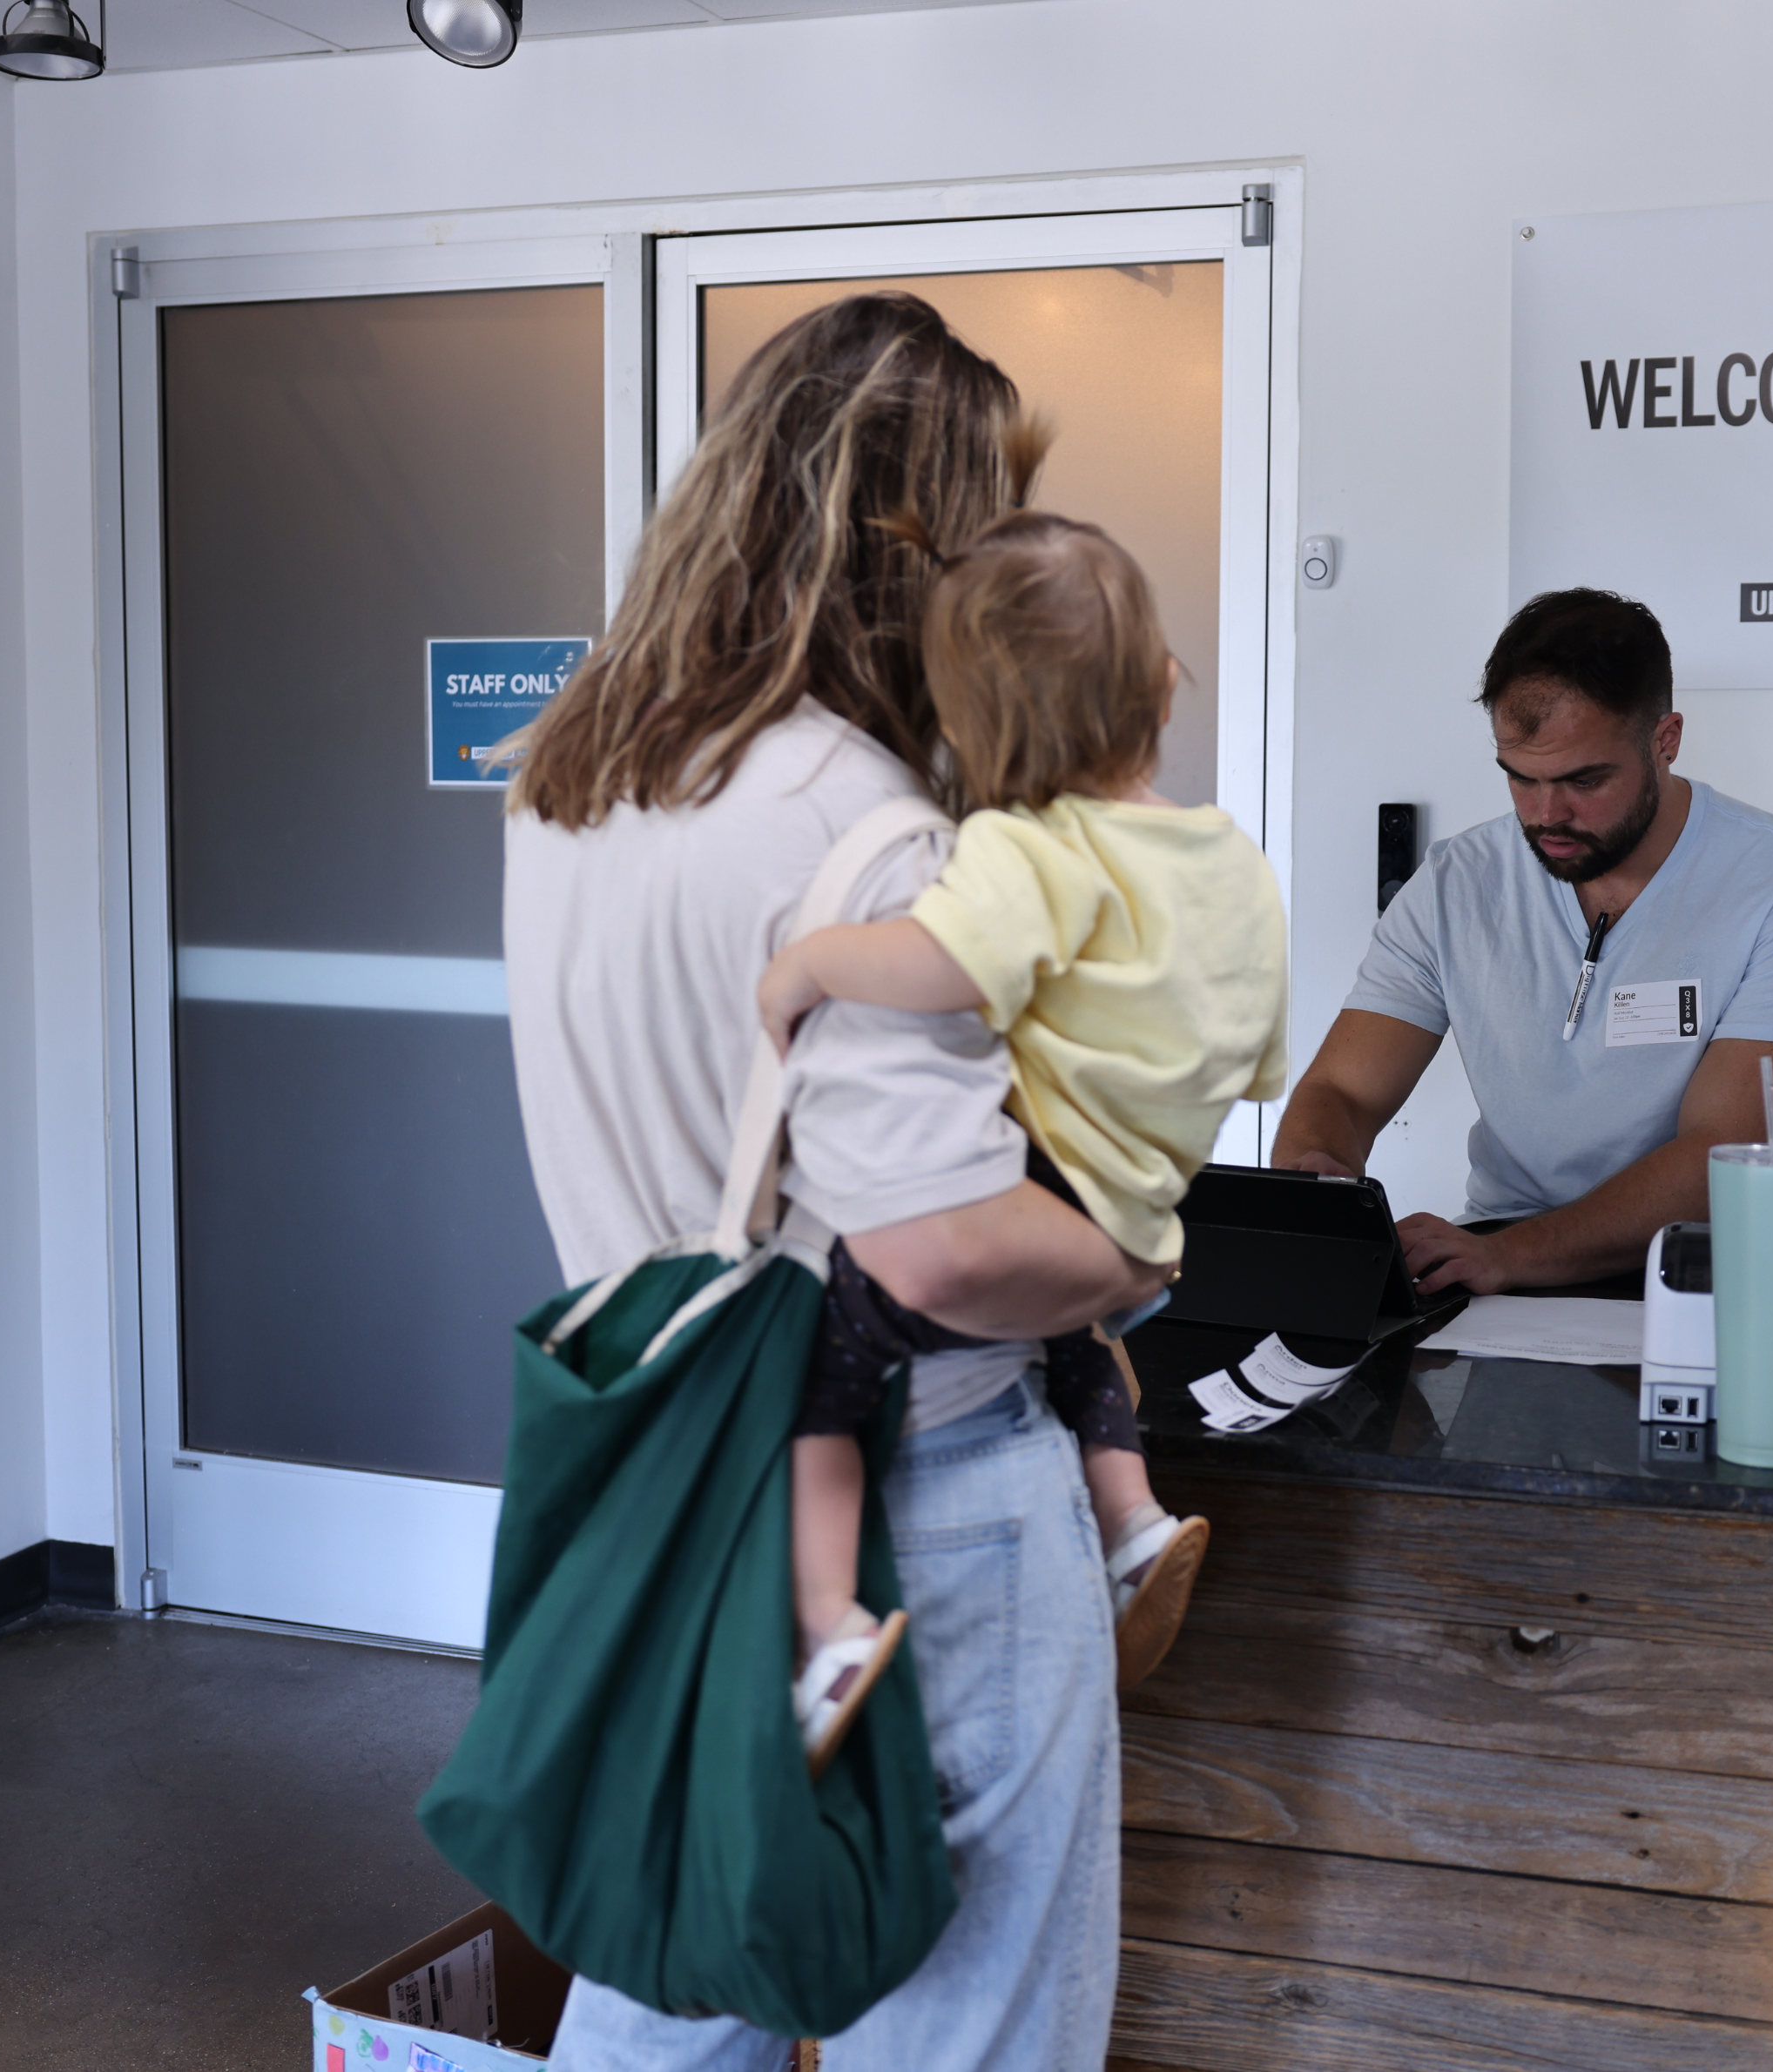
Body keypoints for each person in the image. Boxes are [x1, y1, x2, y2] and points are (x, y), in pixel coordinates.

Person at [501, 293, 1166, 2071]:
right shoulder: (866, 823)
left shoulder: (579, 772)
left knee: (684, 1954)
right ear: (916, 542)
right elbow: (941, 1250)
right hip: (920, 1492)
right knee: (966, 2017)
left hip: (688, 1467)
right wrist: (1125, 1243)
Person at [757, 508, 1287, 1742]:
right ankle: (1133, 1521)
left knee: (820, 1370)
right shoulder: (1231, 860)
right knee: (1077, 1347)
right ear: (1164, 687)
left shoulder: (1029, 847)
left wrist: (813, 964)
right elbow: (1259, 1061)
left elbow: (944, 962)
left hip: (1044, 1180)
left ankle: (829, 1626)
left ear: (961, 727)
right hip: (1148, 1195)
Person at [1271, 588, 1773, 1295]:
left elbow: (1724, 1156)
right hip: (1503, 1261)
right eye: (1520, 779)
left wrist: (1510, 1257)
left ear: (1665, 741)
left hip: (1704, 1274)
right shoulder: (1456, 882)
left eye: (1584, 780)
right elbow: (1342, 1088)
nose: (1546, 814)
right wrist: (1315, 1179)